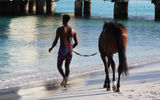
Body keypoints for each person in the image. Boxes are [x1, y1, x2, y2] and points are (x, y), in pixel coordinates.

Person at [49, 15, 78, 87]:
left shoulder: (60, 29)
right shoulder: (73, 30)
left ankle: (64, 77)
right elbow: (76, 42)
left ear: (64, 20)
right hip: (70, 49)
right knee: (67, 66)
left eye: (62, 19)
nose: (62, 20)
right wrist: (71, 48)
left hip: (63, 48)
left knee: (59, 66)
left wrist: (51, 47)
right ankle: (65, 82)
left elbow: (56, 41)